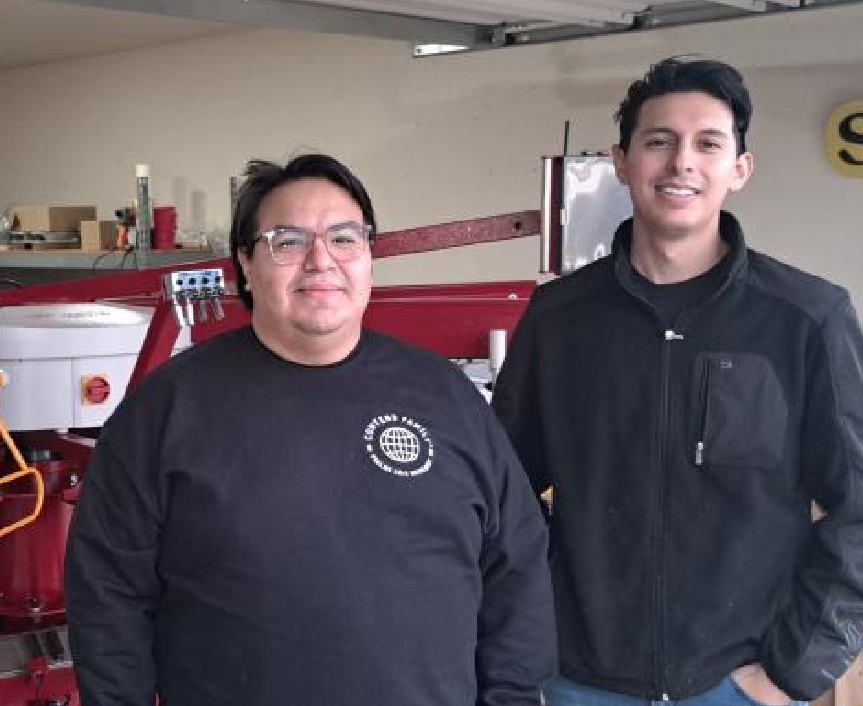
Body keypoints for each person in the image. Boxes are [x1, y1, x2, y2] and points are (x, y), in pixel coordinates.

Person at [67, 153, 556, 706]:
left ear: (369, 257)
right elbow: (108, 595)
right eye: (288, 241)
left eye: (344, 238)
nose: (321, 261)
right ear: (246, 264)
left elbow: (516, 567)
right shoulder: (165, 410)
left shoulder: (446, 399)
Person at [491, 57, 863, 706]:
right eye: (658, 141)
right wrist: (536, 633)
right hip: (577, 680)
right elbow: (501, 492)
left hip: (735, 682)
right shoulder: (559, 319)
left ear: (739, 168)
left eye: (707, 143)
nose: (681, 161)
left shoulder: (806, 319)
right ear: (621, 161)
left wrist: (791, 672)